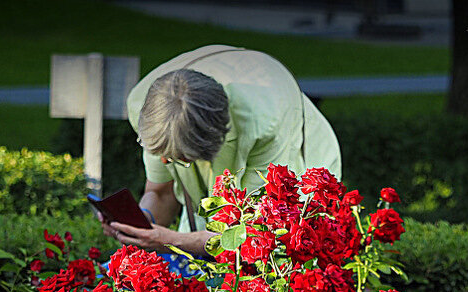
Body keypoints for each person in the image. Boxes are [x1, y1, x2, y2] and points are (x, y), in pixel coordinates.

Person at [102, 45, 343, 261]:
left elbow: (245, 237)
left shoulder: (264, 125)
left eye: (178, 158)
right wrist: (141, 222)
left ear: (209, 145)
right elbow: (161, 193)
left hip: (296, 158)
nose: (164, 161)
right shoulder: (155, 110)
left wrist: (169, 241)